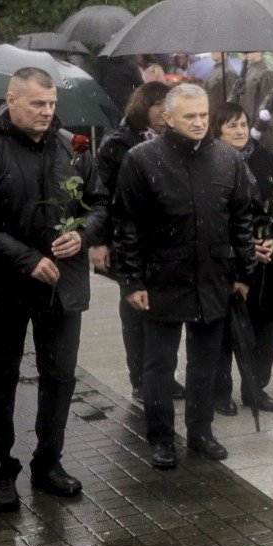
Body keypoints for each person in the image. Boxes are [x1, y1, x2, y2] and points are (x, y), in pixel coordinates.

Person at [0, 68, 105, 511]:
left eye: (52, 103)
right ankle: (1, 470)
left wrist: (84, 235)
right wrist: (25, 258)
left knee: (59, 378)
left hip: (62, 286)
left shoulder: (70, 148)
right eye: (38, 103)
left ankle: (48, 463)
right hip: (4, 287)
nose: (48, 112)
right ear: (11, 100)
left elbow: (99, 203)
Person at [112, 84, 260, 469]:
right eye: (189, 116)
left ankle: (200, 431)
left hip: (213, 276)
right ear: (168, 118)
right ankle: (161, 438)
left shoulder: (227, 158)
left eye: (203, 115)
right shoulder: (141, 159)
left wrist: (245, 271)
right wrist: (133, 281)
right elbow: (127, 224)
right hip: (162, 277)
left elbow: (242, 218)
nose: (198, 122)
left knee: (205, 362)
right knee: (158, 366)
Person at [95, 80, 174, 400]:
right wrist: (99, 242)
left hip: (165, 240)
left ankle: (160, 374)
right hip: (128, 236)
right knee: (135, 308)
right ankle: (140, 376)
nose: (164, 113)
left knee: (163, 308)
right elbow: (100, 195)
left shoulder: (174, 138)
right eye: (158, 106)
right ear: (144, 107)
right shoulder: (118, 143)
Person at [212, 103, 273, 416]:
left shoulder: (265, 158)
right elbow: (211, 218)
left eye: (243, 124)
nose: (240, 131)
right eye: (231, 126)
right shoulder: (210, 163)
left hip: (267, 259)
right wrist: (244, 246)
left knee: (265, 327)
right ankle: (220, 392)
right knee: (226, 330)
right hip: (231, 259)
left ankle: (255, 389)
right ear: (218, 131)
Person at [235, 51, 273, 120]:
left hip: (254, 120)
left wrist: (257, 127)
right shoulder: (248, 69)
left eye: (250, 50)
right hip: (244, 118)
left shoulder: (267, 72)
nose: (247, 52)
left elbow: (266, 101)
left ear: (259, 52)